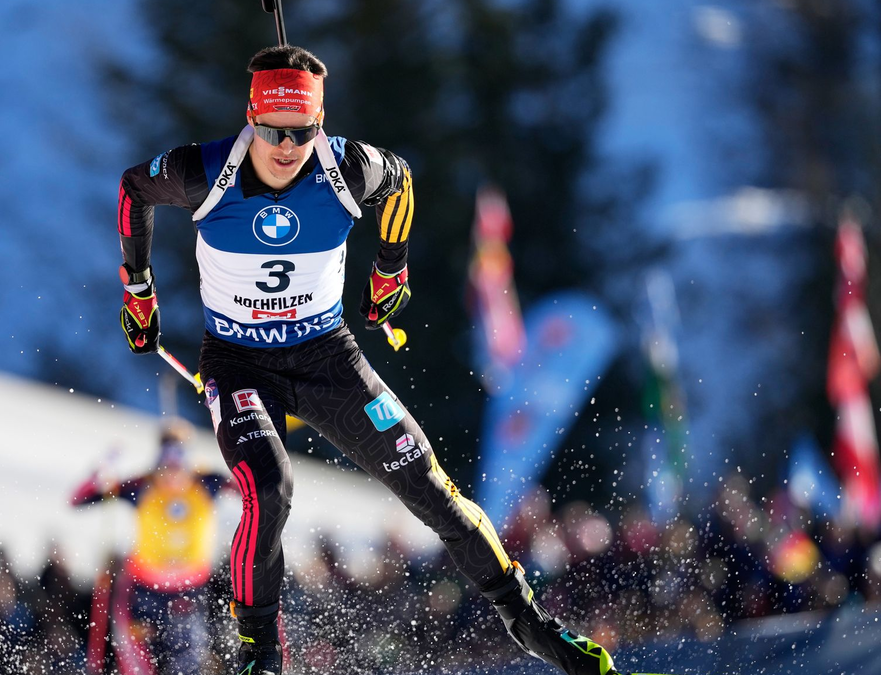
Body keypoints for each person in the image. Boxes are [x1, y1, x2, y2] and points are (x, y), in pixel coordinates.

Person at [115, 45, 621, 675]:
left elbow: (401, 180)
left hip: (328, 358)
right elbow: (134, 187)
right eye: (273, 131)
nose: (287, 147)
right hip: (239, 364)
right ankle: (258, 655)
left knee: (429, 486)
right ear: (251, 120)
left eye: (303, 131)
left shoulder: (344, 168)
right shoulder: (203, 172)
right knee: (269, 488)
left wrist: (389, 271)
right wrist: (138, 288)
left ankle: (533, 626)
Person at [71, 421, 231, 675]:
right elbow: (78, 500)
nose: (172, 474)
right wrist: (100, 471)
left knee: (186, 665)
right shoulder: (142, 486)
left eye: (179, 463)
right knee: (139, 666)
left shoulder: (207, 482)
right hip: (143, 594)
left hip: (188, 592)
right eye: (166, 464)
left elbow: (255, 490)